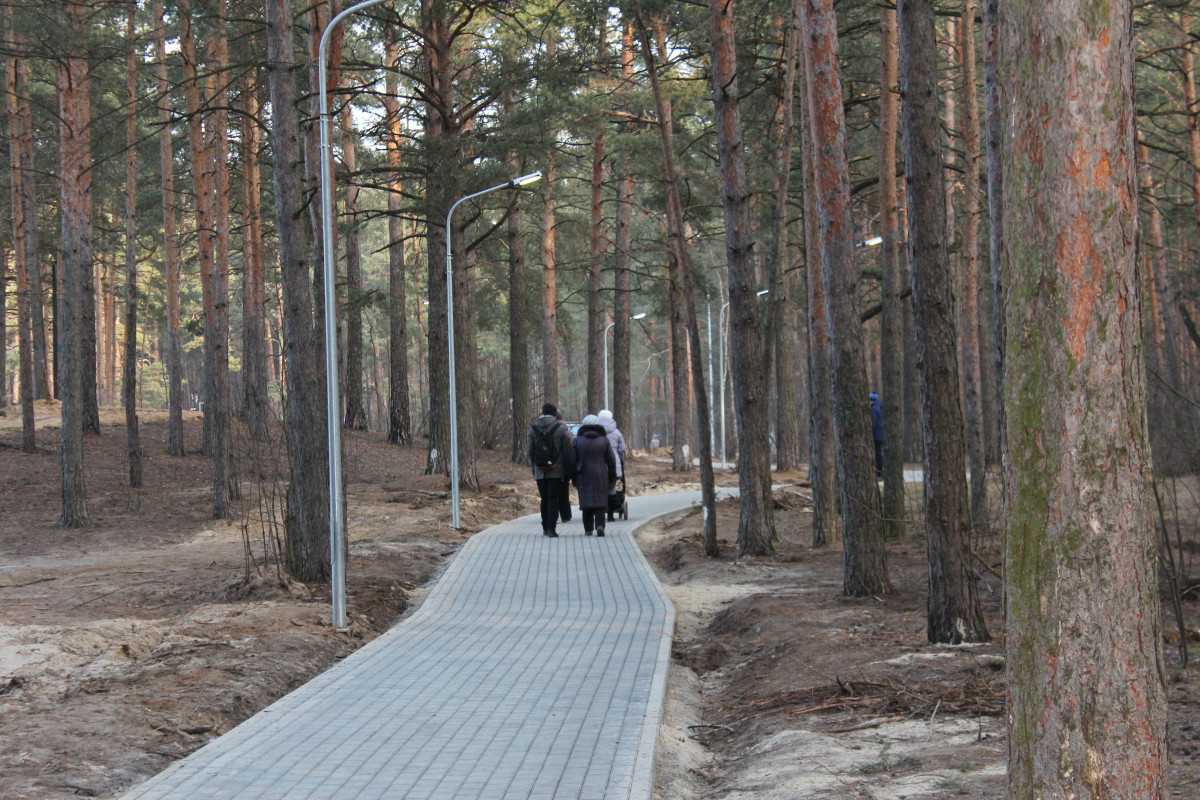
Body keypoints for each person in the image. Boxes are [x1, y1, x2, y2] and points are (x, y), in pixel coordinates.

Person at [527, 402, 573, 537]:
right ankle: (552, 529)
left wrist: (534, 466)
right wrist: (565, 469)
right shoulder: (560, 429)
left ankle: (545, 527)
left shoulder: (533, 429)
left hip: (539, 470)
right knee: (553, 498)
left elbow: (529, 451)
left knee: (544, 499)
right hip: (556, 471)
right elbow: (567, 451)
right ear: (554, 414)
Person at [571, 415, 617, 536]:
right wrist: (612, 475)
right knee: (600, 502)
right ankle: (600, 525)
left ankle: (588, 529)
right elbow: (611, 460)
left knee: (586, 502)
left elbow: (572, 460)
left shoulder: (577, 440)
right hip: (601, 474)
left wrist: (573, 476)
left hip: (583, 475)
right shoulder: (604, 440)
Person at [597, 409, 627, 521]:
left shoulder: (597, 432)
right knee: (612, 489)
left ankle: (600, 512)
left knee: (600, 489)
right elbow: (622, 448)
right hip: (613, 464)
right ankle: (610, 515)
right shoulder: (617, 432)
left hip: (599, 464)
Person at [870, 392, 884, 479]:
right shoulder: (880, 406)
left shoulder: (874, 409)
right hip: (880, 435)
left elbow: (873, 424)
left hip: (876, 436)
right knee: (879, 454)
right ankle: (879, 470)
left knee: (877, 454)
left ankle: (878, 471)